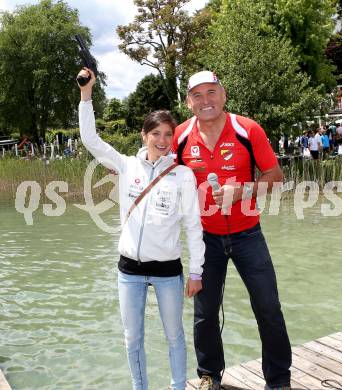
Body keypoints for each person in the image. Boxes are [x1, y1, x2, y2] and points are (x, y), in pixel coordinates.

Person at [77, 68, 205, 390]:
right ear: (143, 135)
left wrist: (195, 272)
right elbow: (90, 140)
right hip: (129, 271)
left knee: (175, 336)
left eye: (168, 135)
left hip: (167, 271)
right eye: (156, 134)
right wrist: (86, 94)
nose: (162, 141)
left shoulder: (182, 176)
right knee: (132, 338)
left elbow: (193, 226)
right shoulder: (125, 165)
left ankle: (178, 386)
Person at [172, 71, 292, 390]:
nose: (205, 101)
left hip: (247, 234)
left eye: (211, 92)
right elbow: (161, 173)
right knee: (204, 313)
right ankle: (209, 377)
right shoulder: (181, 135)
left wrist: (244, 191)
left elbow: (276, 176)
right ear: (188, 102)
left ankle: (279, 381)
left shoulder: (247, 129)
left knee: (268, 306)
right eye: (197, 95)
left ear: (223, 95)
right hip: (205, 239)